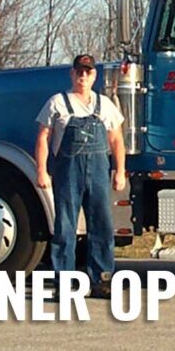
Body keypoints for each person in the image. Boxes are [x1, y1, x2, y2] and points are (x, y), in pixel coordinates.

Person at [35, 54, 126, 297]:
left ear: (94, 75)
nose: (83, 76)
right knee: (65, 227)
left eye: (88, 72)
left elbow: (116, 139)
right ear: (72, 74)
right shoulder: (57, 102)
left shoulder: (105, 104)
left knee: (102, 226)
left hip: (98, 171)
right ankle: (64, 283)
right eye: (79, 72)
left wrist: (120, 171)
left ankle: (102, 279)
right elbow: (43, 137)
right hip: (68, 173)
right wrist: (42, 171)